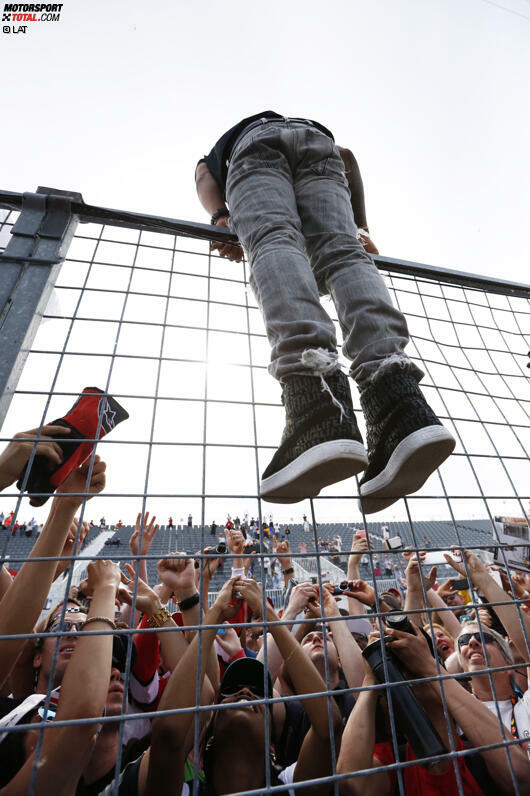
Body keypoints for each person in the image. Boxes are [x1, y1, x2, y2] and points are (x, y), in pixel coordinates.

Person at [196, 112, 454, 511]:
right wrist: (361, 227)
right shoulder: (309, 131)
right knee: (343, 252)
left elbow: (202, 174)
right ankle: (398, 403)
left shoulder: (226, 146)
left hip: (252, 150)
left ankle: (314, 402)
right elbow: (346, 157)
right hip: (320, 143)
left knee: (272, 240)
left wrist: (220, 217)